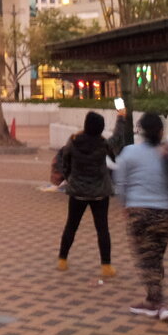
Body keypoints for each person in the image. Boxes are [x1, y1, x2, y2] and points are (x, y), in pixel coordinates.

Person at [113, 112, 168, 319]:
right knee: (155, 256)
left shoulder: (129, 152)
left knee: (146, 257)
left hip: (138, 211)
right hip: (164, 213)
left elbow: (120, 182)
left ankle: (156, 301)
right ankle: (154, 298)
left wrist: (125, 204)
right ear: (161, 131)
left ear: (140, 131)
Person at [56, 109, 126, 277]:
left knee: (71, 226)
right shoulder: (103, 144)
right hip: (99, 192)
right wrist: (121, 118)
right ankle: (106, 265)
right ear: (101, 129)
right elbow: (117, 140)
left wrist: (70, 178)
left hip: (77, 191)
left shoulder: (73, 141)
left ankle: (62, 259)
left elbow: (64, 161)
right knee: (102, 229)